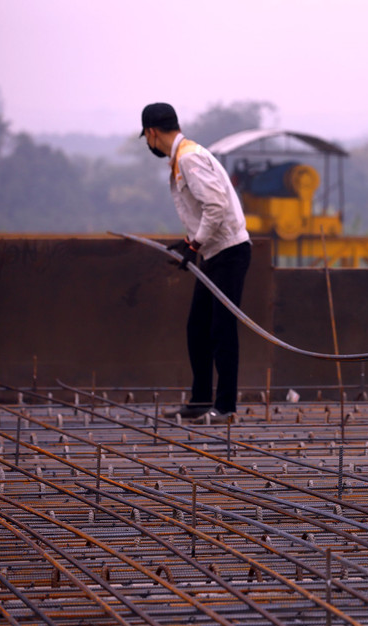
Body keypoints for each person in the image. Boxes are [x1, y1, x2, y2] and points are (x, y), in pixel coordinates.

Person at [140, 102, 251, 424]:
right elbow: (207, 210)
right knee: (198, 328)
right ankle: (201, 401)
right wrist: (193, 241)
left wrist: (194, 243)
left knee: (222, 330)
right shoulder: (184, 156)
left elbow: (215, 207)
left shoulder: (188, 158)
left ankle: (225, 407)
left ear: (151, 133)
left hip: (229, 251)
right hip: (215, 252)